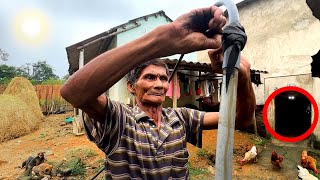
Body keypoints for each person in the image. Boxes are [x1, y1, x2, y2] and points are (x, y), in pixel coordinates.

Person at [61, 5, 256, 179]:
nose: (159, 84)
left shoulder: (181, 117)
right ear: (131, 86)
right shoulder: (119, 118)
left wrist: (243, 77)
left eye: (163, 78)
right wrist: (162, 41)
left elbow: (239, 119)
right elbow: (74, 93)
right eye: (149, 77)